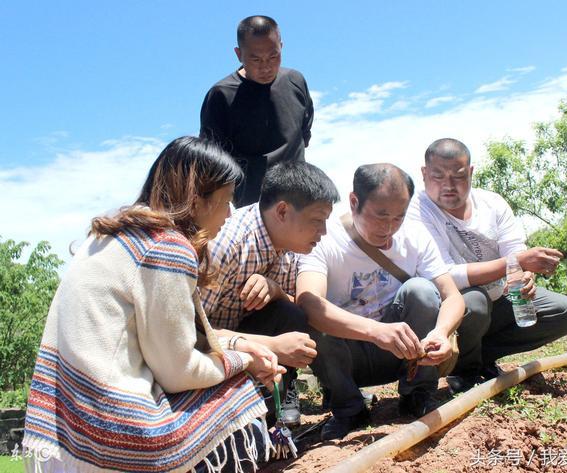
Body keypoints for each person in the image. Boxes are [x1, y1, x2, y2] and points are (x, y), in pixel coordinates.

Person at [21, 137, 286, 473]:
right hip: (109, 437)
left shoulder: (116, 233)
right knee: (239, 393)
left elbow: (169, 338)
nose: (229, 214)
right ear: (197, 200)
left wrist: (239, 344)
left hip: (60, 431)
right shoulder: (166, 246)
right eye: (226, 201)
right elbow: (178, 372)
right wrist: (244, 362)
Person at [296, 164, 465, 441]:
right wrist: (375, 331)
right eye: (380, 216)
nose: (389, 228)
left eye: (398, 217)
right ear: (354, 202)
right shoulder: (325, 239)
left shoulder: (416, 236)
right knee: (317, 317)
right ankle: (349, 408)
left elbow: (452, 296)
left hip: (403, 353)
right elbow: (308, 302)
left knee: (421, 291)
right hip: (347, 360)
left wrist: (441, 333)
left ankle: (417, 393)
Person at [407, 138, 567, 393]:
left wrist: (523, 275)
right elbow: (446, 275)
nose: (449, 186)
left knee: (564, 311)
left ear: (471, 172)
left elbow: (515, 249)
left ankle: (480, 358)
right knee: (474, 301)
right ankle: (465, 370)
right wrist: (516, 262)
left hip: (500, 299)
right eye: (438, 176)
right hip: (452, 309)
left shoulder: (492, 203)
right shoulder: (417, 211)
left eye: (458, 176)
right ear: (424, 174)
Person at [200, 161, 340, 427]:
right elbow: (190, 335)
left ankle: (270, 411)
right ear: (283, 211)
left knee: (292, 313)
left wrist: (276, 292)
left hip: (242, 348)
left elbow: (298, 311)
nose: (323, 232)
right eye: (316, 221)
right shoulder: (225, 245)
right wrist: (270, 346)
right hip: (207, 359)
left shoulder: (291, 246)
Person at [200, 15, 314, 207]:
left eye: (273, 56)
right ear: (238, 54)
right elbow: (212, 161)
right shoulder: (221, 95)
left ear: (281, 46)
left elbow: (304, 135)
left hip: (299, 199)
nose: (266, 67)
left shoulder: (296, 81)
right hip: (253, 206)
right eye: (256, 59)